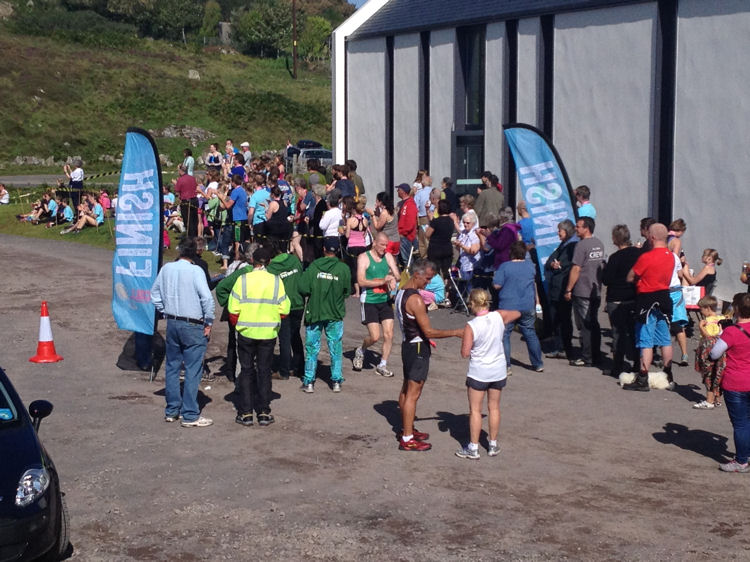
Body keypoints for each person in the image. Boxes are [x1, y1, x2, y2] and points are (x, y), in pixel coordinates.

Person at [395, 259, 464, 451]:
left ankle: (405, 429)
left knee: (406, 389)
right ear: (416, 275)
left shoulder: (401, 292)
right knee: (413, 394)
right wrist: (456, 332)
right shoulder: (415, 299)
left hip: (407, 345)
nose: (428, 283)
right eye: (427, 279)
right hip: (417, 348)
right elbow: (429, 332)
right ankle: (408, 438)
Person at [150, 236, 215, 427]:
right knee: (193, 369)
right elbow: (207, 299)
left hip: (173, 321)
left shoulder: (167, 269)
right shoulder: (196, 271)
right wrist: (208, 321)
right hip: (193, 323)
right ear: (194, 252)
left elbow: (154, 294)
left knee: (172, 366)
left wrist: (164, 309)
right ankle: (190, 414)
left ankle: (172, 410)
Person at [228, 246, 289, 427]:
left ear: (252, 261)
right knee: (264, 371)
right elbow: (284, 309)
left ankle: (246, 413)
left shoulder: (243, 280)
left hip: (246, 332)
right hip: (267, 333)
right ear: (269, 262)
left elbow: (233, 309)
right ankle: (263, 411)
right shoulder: (276, 281)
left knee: (246, 371)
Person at [455, 288, 520, 459]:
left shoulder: (472, 325)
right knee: (494, 407)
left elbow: (465, 352)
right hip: (498, 370)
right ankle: (492, 444)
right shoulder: (498, 316)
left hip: (479, 372)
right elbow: (516, 313)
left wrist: (464, 339)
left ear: (472, 303)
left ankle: (474, 447)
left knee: (475, 410)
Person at [623, 223, 675, 391]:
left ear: (652, 238)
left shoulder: (647, 257)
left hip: (647, 298)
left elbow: (631, 276)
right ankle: (668, 373)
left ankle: (643, 377)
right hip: (664, 296)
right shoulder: (670, 256)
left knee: (646, 340)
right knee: (665, 338)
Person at [298, 239, 351, 393]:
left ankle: (309, 381)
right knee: (335, 346)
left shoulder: (314, 266)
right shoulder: (343, 269)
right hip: (335, 313)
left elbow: (303, 287)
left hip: (315, 312)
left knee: (312, 348)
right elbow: (347, 291)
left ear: (323, 249)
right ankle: (336, 380)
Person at [709, 293, 750, 472]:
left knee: (740, 424)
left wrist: (719, 335)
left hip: (737, 382)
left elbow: (714, 354)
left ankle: (741, 461)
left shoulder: (731, 331)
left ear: (737, 309)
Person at [353, 232, 400, 377]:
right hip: (369, 301)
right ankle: (361, 350)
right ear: (374, 243)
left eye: (386, 245)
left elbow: (397, 275)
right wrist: (383, 281)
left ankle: (382, 364)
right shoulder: (364, 258)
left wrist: (393, 279)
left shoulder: (387, 256)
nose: (384, 248)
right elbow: (361, 281)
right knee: (374, 337)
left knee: (389, 334)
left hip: (384, 300)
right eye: (382, 245)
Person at [493, 241, 544, 374]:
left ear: (511, 252)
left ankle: (505, 366)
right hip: (527, 304)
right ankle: (538, 363)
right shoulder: (530, 266)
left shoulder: (505, 266)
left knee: (504, 335)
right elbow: (533, 284)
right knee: (530, 333)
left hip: (508, 306)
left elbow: (497, 285)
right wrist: (537, 301)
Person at [564, 216, 605, 367]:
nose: (576, 229)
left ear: (586, 228)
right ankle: (596, 354)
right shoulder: (599, 243)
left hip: (583, 290)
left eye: (578, 226)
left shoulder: (581, 246)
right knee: (594, 323)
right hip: (596, 290)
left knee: (586, 325)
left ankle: (587, 356)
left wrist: (568, 289)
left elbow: (576, 268)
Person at [601, 224, 641, 377]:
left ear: (615, 239)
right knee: (633, 333)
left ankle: (617, 367)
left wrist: (604, 269)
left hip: (617, 298)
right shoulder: (637, 254)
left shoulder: (615, 257)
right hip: (633, 297)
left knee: (618, 334)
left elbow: (606, 279)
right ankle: (637, 364)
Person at [215, 244, 256, 384]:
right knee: (240, 344)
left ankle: (231, 372)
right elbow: (223, 286)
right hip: (240, 311)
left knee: (233, 341)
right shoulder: (246, 270)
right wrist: (231, 303)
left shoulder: (233, 265)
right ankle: (239, 378)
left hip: (236, 310)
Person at [267, 244, 304, 381]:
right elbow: (301, 273)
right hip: (299, 303)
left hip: (283, 306)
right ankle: (299, 368)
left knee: (284, 338)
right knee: (295, 336)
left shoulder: (271, 269)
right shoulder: (294, 260)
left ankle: (284, 371)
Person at [544, 220, 578, 360]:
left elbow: (564, 265)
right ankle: (559, 345)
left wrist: (557, 265)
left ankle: (564, 346)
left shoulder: (571, 246)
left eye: (560, 231)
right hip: (555, 288)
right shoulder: (562, 245)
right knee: (556, 318)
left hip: (561, 288)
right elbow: (549, 262)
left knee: (562, 318)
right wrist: (553, 264)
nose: (558, 233)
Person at [693, 295, 727, 409]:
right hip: (721, 351)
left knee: (708, 376)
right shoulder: (721, 319)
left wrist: (701, 327)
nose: (701, 311)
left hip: (709, 353)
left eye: (701, 309)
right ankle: (717, 399)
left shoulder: (707, 322)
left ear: (707, 308)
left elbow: (709, 338)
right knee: (718, 375)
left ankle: (709, 400)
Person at [344, 198, 370, 297]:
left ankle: (357, 291)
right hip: (362, 246)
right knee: (362, 267)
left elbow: (347, 236)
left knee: (354, 268)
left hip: (353, 246)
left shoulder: (350, 220)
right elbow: (364, 235)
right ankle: (362, 288)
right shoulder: (365, 221)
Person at [425, 199, 455, 284]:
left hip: (435, 249)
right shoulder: (451, 220)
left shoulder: (436, 221)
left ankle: (437, 288)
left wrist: (431, 221)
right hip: (447, 248)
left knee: (435, 272)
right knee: (446, 273)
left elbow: (427, 234)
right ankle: (447, 290)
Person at [454, 211, 481, 293]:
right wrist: (458, 245)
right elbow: (460, 249)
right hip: (463, 264)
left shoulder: (475, 234)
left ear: (473, 223)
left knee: (469, 289)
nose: (465, 225)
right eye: (464, 222)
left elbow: (473, 251)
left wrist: (461, 245)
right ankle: (461, 303)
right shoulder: (463, 233)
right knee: (460, 287)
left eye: (468, 223)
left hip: (471, 266)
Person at [369, 191, 400, 257]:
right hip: (396, 240)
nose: (376, 202)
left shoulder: (384, 212)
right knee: (393, 261)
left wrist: (373, 215)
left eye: (377, 200)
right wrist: (377, 210)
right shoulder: (393, 210)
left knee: (385, 261)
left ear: (380, 202)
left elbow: (377, 227)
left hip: (388, 241)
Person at [174, 164, 199, 237]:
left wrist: (176, 183)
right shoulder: (192, 178)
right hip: (194, 200)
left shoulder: (180, 180)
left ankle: (190, 237)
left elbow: (177, 191)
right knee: (194, 219)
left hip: (186, 201)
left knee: (187, 220)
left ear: (180, 170)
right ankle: (195, 235)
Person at [397, 183, 418, 267]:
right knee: (401, 260)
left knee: (407, 260)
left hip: (406, 236)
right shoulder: (401, 203)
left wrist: (402, 233)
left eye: (398, 190)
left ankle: (411, 276)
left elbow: (411, 222)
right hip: (401, 235)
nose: (397, 191)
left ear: (403, 191)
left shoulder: (410, 204)